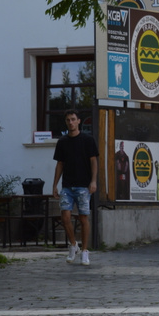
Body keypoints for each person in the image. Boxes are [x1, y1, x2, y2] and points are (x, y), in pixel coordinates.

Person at [52, 110, 98, 266]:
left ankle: (85, 251)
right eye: (67, 120)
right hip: (67, 186)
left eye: (73, 119)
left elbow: (93, 161)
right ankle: (73, 245)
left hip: (84, 186)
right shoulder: (62, 142)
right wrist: (55, 185)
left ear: (79, 121)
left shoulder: (88, 140)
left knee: (83, 217)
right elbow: (60, 164)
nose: (70, 122)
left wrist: (93, 181)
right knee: (65, 217)